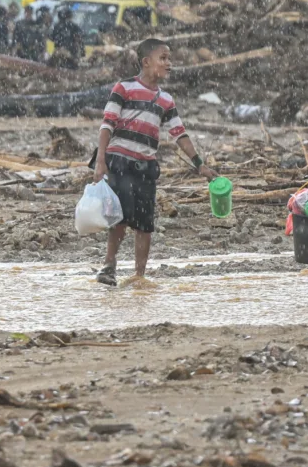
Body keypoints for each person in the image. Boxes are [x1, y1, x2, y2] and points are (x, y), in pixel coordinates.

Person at [93, 39, 217, 285]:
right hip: (120, 160)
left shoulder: (166, 100)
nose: (168, 63)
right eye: (163, 58)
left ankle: (139, 277)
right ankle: (109, 264)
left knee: (145, 223)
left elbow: (179, 133)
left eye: (169, 58)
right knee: (120, 215)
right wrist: (100, 160)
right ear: (146, 62)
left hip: (146, 166)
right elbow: (107, 123)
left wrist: (199, 163)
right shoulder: (124, 88)